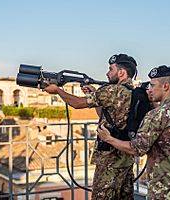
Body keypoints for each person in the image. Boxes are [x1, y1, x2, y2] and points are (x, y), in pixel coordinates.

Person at [43, 54, 138, 200]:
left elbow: (77, 103)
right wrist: (96, 95)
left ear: (121, 72)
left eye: (110, 69)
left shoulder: (112, 91)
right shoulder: (134, 92)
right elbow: (107, 116)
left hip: (109, 161)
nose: (107, 73)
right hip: (126, 161)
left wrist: (58, 91)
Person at [97, 65, 170, 199]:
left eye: (153, 85)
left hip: (162, 187)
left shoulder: (156, 115)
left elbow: (136, 149)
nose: (149, 90)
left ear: (165, 86)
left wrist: (108, 138)